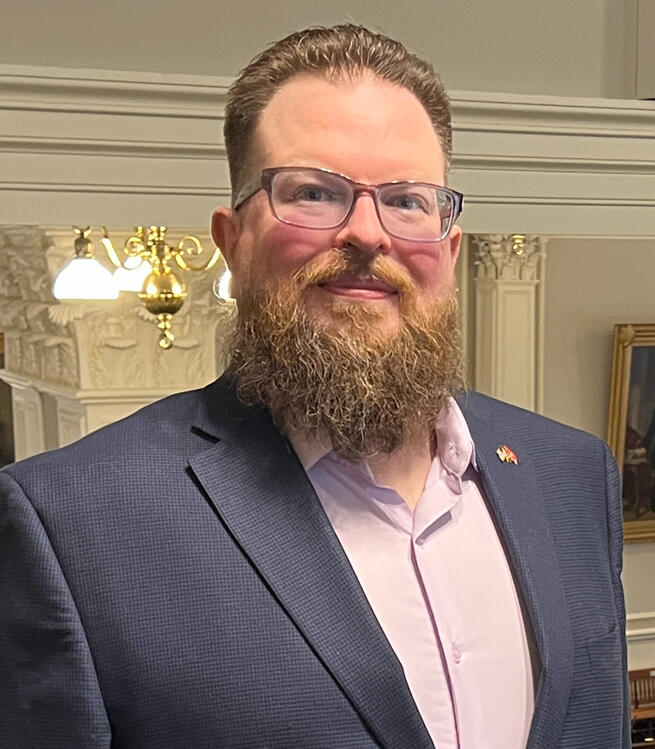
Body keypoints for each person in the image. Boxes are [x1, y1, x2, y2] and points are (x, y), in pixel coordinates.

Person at [0, 24, 629, 749]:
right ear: (232, 242)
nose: (367, 233)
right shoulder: (70, 522)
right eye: (312, 192)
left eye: (407, 201)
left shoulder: (572, 474)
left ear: (449, 251)